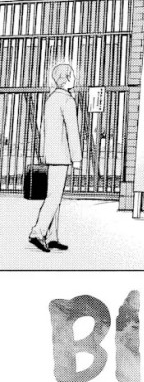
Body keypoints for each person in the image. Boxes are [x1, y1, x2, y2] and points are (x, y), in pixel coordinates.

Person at [29, 63, 81, 254]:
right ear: (66, 78)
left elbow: (44, 129)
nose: (74, 78)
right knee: (54, 197)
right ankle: (38, 232)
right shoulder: (67, 100)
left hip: (51, 154)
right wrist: (77, 157)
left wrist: (44, 153)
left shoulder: (51, 99)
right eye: (72, 75)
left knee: (54, 196)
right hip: (62, 156)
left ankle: (52, 237)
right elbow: (72, 131)